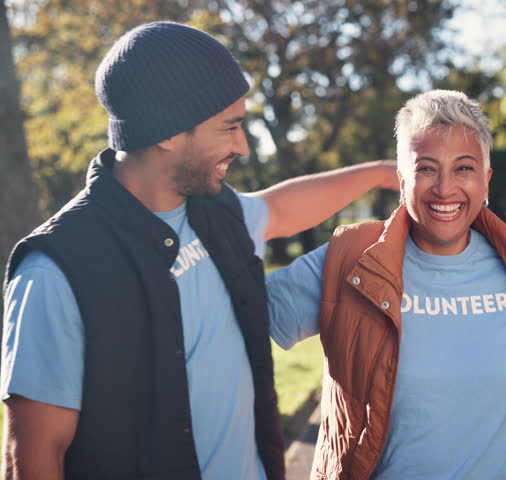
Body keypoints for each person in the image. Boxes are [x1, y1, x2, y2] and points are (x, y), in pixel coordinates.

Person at [1, 21, 396, 480]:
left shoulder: (214, 212)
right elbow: (32, 457)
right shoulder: (55, 272)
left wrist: (385, 174)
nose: (243, 146)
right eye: (229, 127)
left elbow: (280, 207)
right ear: (167, 133)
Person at [267, 89, 506, 479]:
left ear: (486, 181)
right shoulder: (348, 259)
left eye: (464, 168)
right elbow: (232, 315)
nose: (444, 188)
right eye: (426, 168)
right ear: (402, 181)